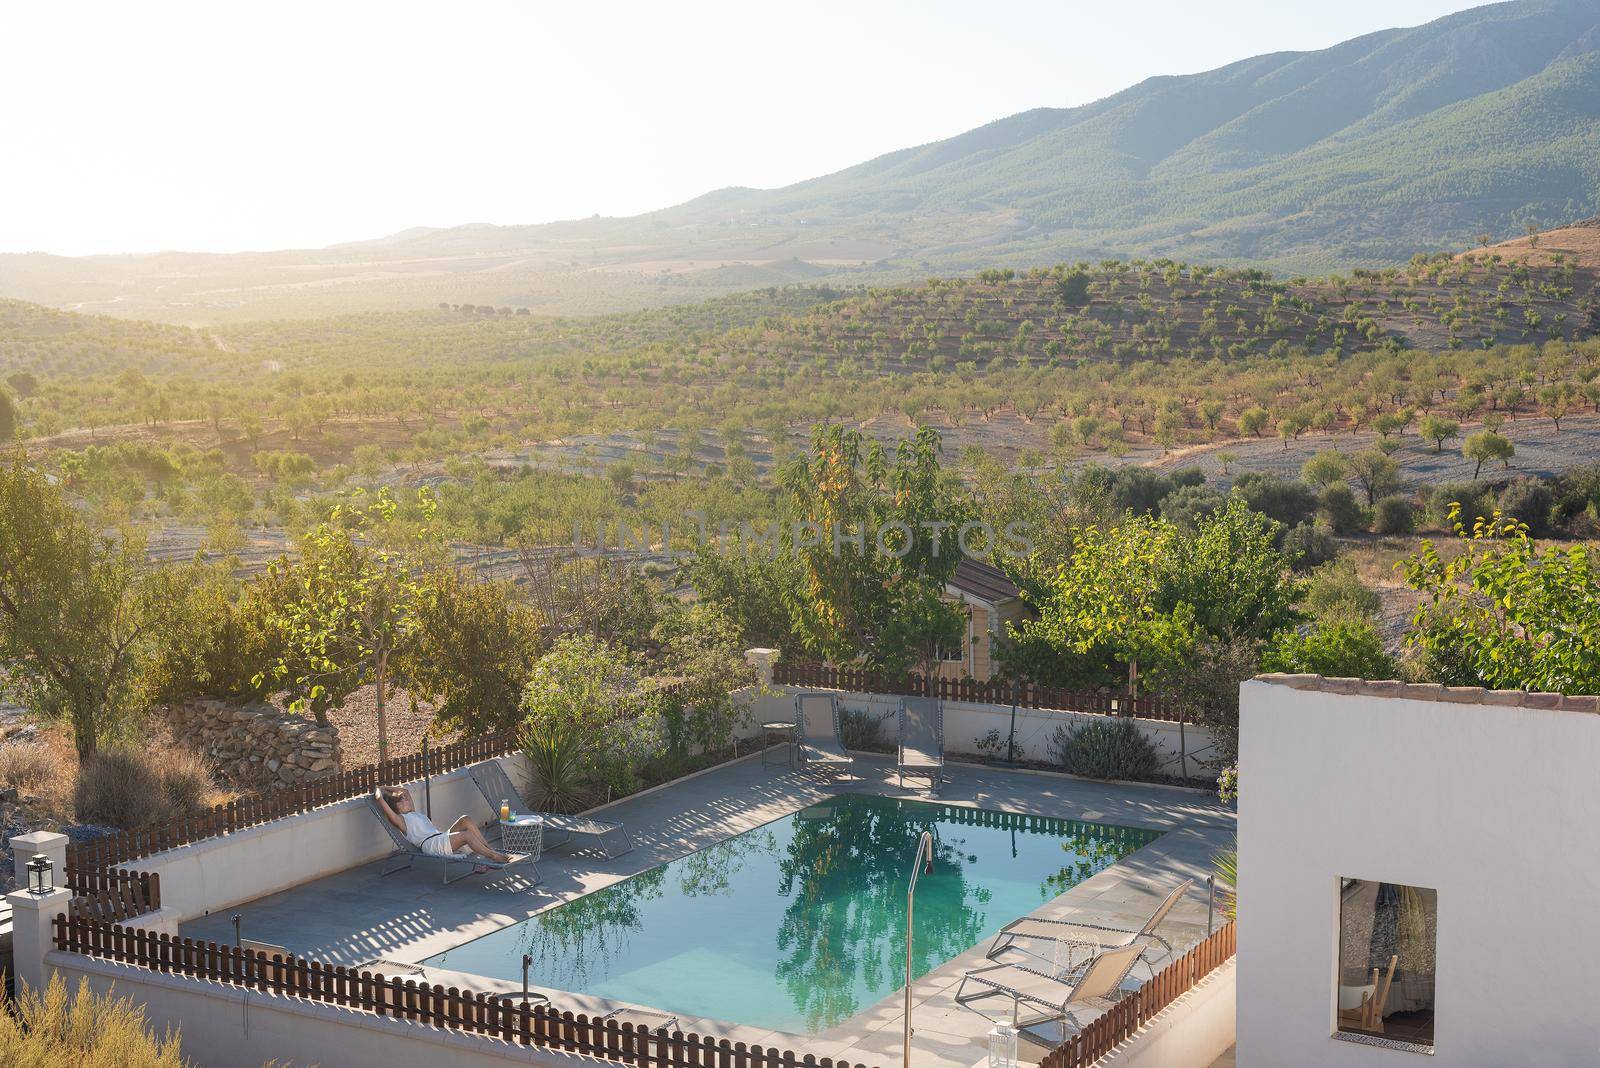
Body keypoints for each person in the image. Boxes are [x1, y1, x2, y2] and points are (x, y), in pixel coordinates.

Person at [373, 786, 511, 866]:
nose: (405, 799)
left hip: (440, 837)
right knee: (467, 835)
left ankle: (489, 849)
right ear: (396, 808)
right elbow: (382, 803)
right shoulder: (401, 820)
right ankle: (492, 856)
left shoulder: (413, 813)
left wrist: (385, 787)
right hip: (431, 844)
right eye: (401, 801)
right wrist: (379, 792)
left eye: (404, 799)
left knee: (466, 820)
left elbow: (406, 791)